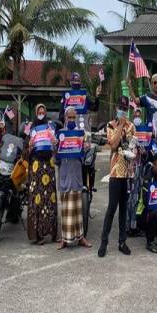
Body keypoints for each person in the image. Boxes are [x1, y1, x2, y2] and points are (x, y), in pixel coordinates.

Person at [98, 96, 135, 258]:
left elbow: (132, 146)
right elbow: (113, 145)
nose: (122, 110)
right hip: (114, 172)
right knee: (111, 208)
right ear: (116, 109)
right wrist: (120, 124)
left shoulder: (132, 126)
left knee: (124, 209)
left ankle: (122, 241)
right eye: (120, 107)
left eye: (125, 108)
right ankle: (103, 242)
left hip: (127, 173)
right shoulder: (111, 125)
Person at [57, 106, 92, 249]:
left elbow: (83, 156)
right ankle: (64, 239)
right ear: (65, 118)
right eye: (69, 117)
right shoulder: (60, 135)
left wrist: (85, 147)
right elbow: (56, 159)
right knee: (65, 209)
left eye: (73, 117)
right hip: (65, 174)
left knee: (78, 209)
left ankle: (80, 237)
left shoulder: (80, 134)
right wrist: (55, 147)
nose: (71, 119)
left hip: (76, 174)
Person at [26, 104, 58, 245]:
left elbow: (56, 147)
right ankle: (37, 234)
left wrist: (55, 142)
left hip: (49, 165)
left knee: (50, 198)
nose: (41, 114)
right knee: (37, 199)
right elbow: (25, 151)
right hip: (36, 166)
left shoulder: (50, 127)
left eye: (43, 112)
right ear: (35, 113)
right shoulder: (31, 129)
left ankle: (52, 232)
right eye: (38, 112)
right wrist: (30, 145)